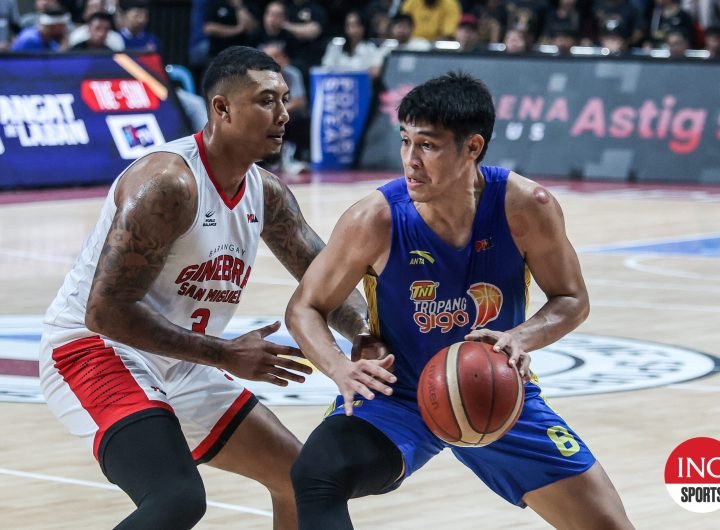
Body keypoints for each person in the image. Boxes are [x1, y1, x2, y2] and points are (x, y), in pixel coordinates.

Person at [38, 45, 371, 530]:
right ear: (222, 108)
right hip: (94, 349)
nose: (282, 114)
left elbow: (328, 280)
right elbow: (105, 312)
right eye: (265, 100)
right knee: (176, 498)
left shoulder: (266, 192)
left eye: (284, 99)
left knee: (302, 480)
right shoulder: (168, 184)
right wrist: (225, 354)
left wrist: (366, 337)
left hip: (185, 361)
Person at [285, 72, 635, 529]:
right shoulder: (374, 218)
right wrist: (339, 368)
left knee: (609, 525)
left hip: (496, 391)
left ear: (472, 147)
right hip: (399, 397)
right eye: (405, 141)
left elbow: (572, 299)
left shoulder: (527, 207)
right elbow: (304, 307)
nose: (411, 160)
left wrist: (519, 337)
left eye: (427, 146)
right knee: (315, 475)